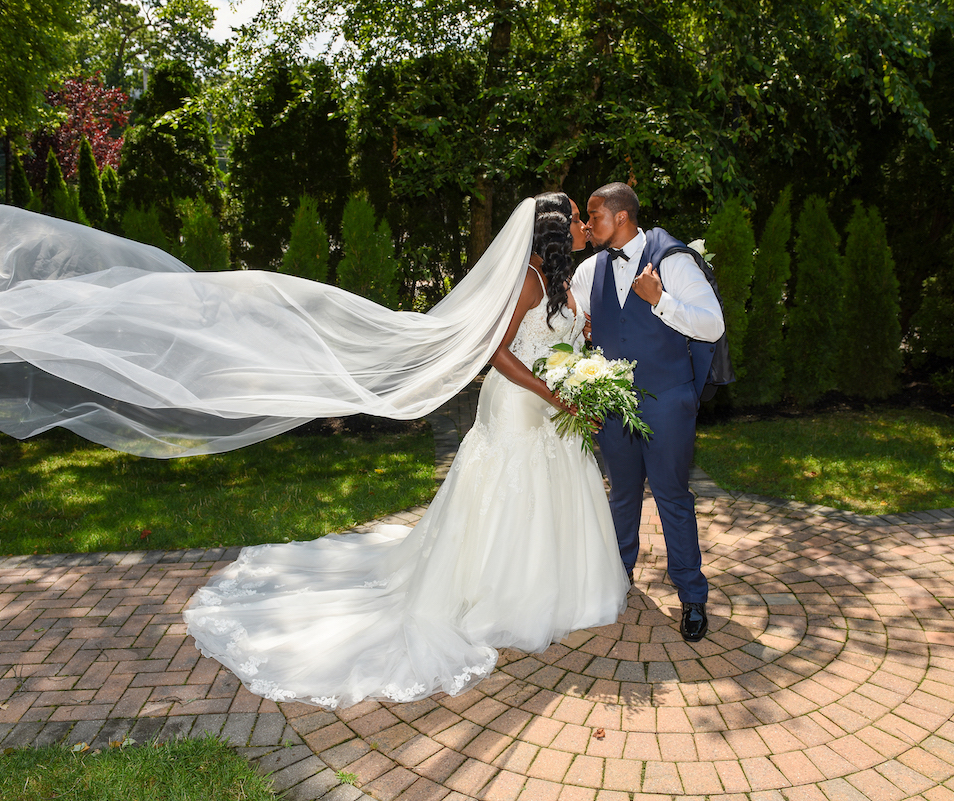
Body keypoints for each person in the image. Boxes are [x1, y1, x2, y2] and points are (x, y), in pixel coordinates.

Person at [182, 193, 628, 709]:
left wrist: (577, 363)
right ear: (553, 230)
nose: (580, 225)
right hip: (518, 407)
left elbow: (554, 342)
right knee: (513, 496)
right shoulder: (527, 280)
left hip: (551, 407)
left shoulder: (558, 280)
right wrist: (555, 394)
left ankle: (559, 587)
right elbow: (496, 352)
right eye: (573, 218)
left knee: (553, 494)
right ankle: (503, 594)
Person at [571, 182, 725, 642]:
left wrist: (660, 301)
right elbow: (568, 321)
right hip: (614, 404)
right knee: (621, 493)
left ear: (620, 217)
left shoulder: (672, 260)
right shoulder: (589, 269)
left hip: (667, 400)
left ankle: (692, 596)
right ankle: (619, 577)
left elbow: (712, 324)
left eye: (594, 216)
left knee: (673, 497)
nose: (587, 225)